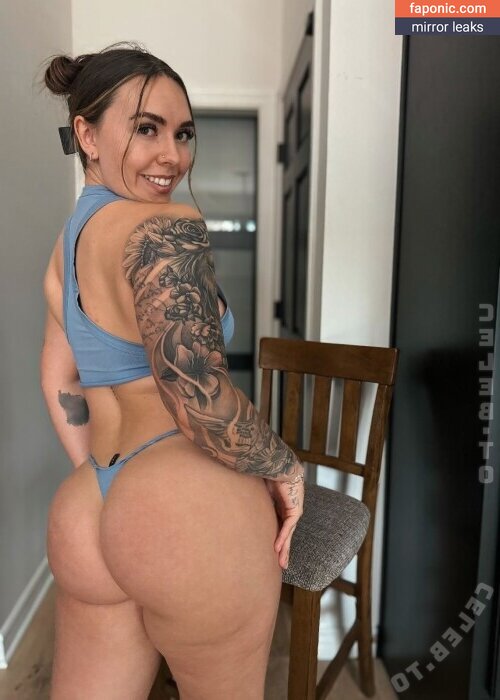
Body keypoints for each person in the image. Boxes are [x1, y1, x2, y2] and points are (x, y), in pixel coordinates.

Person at [39, 41, 305, 700]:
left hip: (90, 504)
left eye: (183, 133)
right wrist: (284, 467)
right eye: (146, 129)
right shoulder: (162, 228)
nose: (172, 156)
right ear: (86, 135)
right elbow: (200, 396)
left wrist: (111, 489)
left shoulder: (68, 244)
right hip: (184, 505)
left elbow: (61, 381)